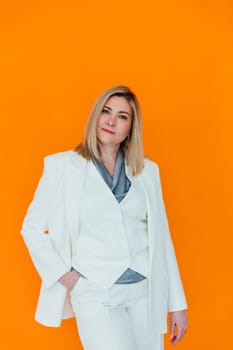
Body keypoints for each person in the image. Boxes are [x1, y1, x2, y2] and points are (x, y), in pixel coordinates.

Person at [21, 85, 188, 350]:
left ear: (130, 128)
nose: (111, 120)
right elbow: (31, 228)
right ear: (95, 117)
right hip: (95, 291)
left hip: (144, 292)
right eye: (106, 111)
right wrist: (65, 275)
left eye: (122, 116)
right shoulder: (61, 166)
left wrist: (177, 304)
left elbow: (162, 239)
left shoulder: (147, 171)